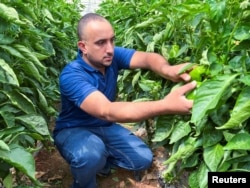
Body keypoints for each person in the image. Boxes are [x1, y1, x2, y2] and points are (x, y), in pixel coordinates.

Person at [53, 13, 196, 188]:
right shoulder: (72, 75)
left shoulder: (110, 57)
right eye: (100, 43)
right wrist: (166, 105)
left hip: (104, 126)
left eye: (112, 40)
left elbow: (147, 58)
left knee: (141, 159)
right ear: (83, 46)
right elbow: (107, 110)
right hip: (73, 130)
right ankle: (84, 181)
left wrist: (168, 70)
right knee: (89, 156)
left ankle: (101, 161)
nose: (110, 48)